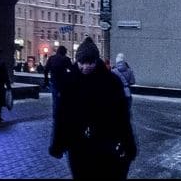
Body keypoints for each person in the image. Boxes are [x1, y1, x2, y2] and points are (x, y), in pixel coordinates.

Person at [49, 37, 137, 180]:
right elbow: (61, 117)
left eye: (90, 62)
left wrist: (128, 144)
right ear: (77, 61)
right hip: (77, 146)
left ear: (96, 61)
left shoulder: (111, 82)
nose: (85, 67)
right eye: (82, 62)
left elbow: (122, 117)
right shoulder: (69, 83)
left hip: (105, 144)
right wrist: (57, 144)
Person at [44, 45, 74, 116]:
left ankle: (55, 114)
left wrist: (46, 81)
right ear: (64, 52)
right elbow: (72, 70)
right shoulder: (66, 59)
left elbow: (46, 70)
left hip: (54, 81)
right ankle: (63, 114)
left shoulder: (51, 58)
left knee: (55, 99)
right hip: (64, 83)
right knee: (64, 99)